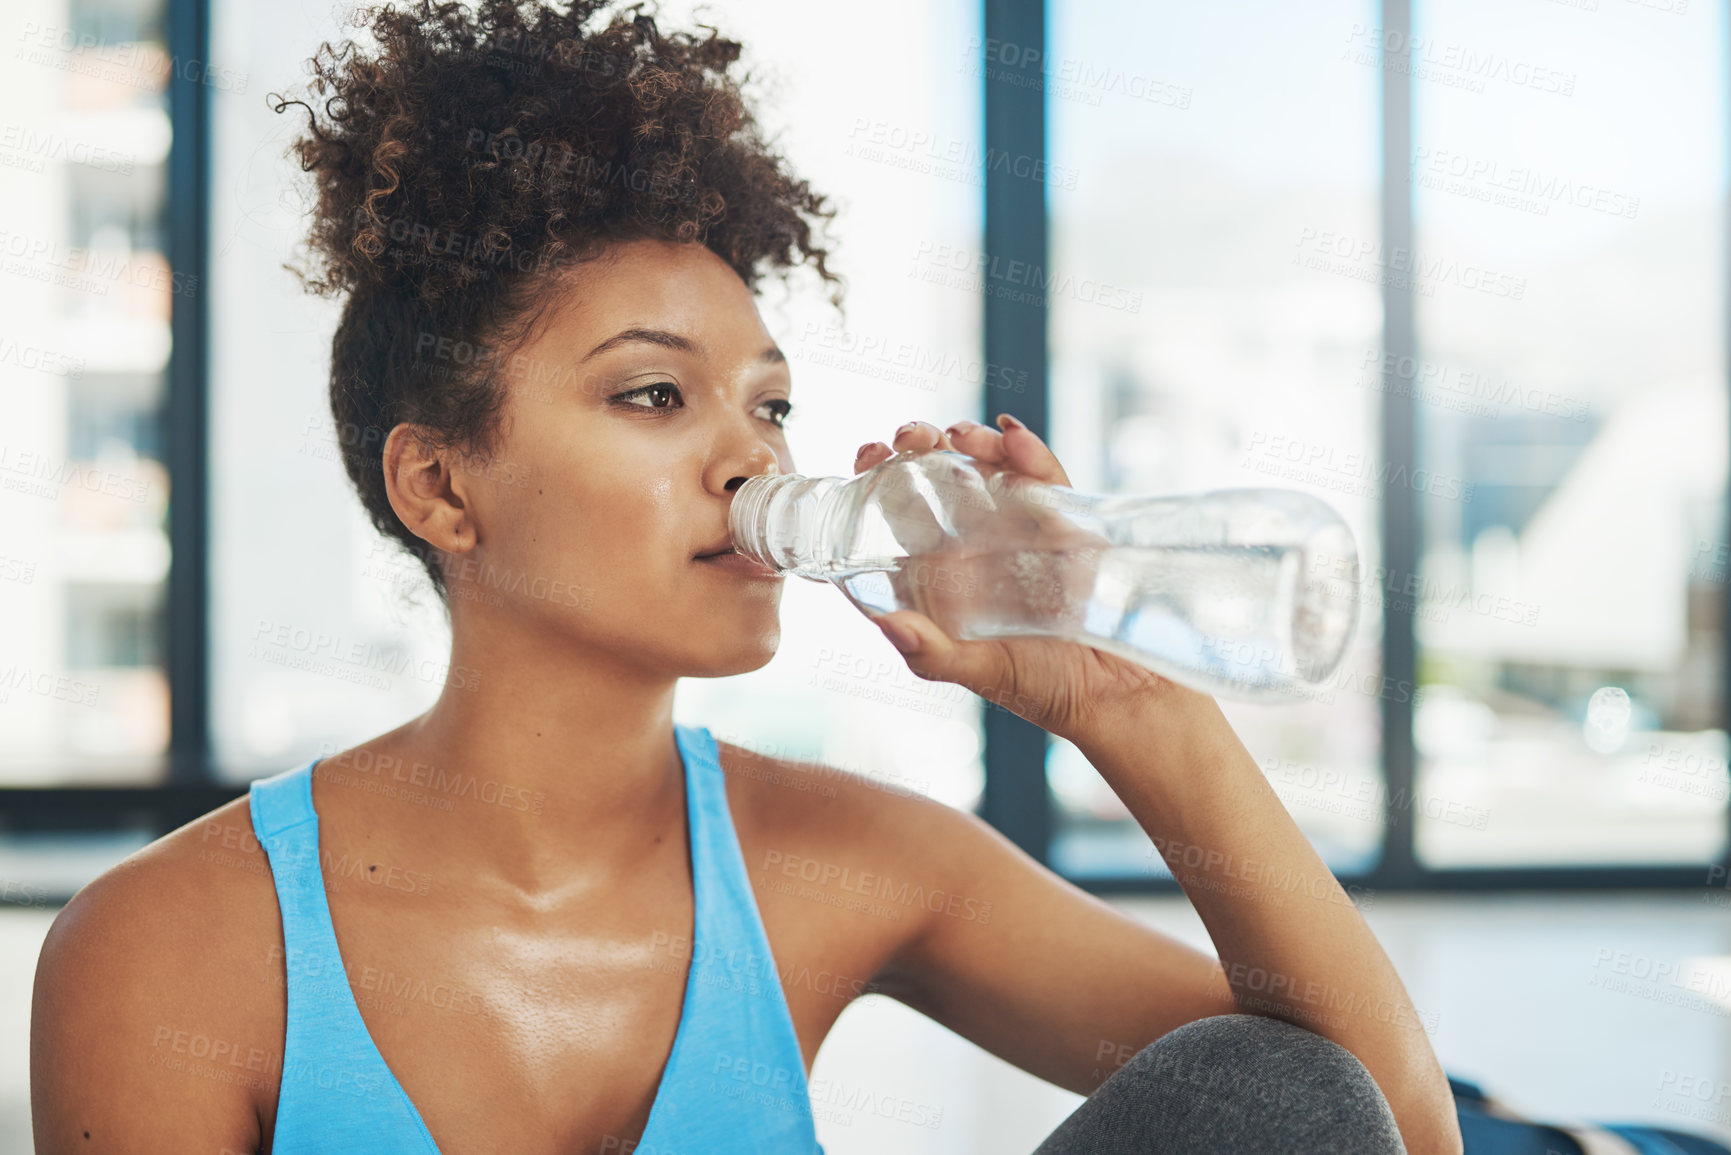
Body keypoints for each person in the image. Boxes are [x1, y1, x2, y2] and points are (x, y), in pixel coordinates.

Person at [30, 2, 1463, 1152]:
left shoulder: (849, 863)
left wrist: (1124, 697)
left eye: (767, 406)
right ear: (440, 487)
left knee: (1261, 1092)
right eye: (655, 397)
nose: (748, 458)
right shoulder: (170, 948)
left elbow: (1374, 1126)